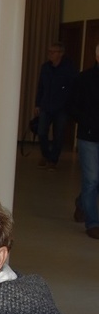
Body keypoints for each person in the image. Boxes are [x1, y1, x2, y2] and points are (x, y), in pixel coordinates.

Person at [67, 43, 99, 239]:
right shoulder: (84, 79)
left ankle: (81, 203)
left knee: (95, 181)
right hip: (89, 137)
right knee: (92, 179)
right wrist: (86, 122)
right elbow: (72, 105)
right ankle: (93, 223)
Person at [35, 42, 78, 170]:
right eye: (49, 51)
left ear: (60, 54)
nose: (50, 54)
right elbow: (41, 87)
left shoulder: (69, 68)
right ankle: (46, 155)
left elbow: (74, 88)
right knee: (41, 132)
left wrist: (70, 105)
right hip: (46, 105)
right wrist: (37, 104)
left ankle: (53, 160)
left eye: (53, 52)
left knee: (58, 135)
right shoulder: (45, 67)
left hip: (62, 108)